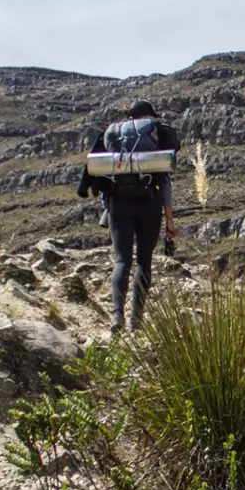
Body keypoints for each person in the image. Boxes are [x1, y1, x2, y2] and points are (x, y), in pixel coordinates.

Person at [77, 98, 180, 334]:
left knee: (122, 261)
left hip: (118, 205)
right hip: (149, 205)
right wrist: (170, 221)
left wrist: (108, 207)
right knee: (144, 261)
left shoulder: (111, 134)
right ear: (149, 116)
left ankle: (117, 317)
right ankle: (136, 320)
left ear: (129, 116)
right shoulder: (155, 134)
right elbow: (164, 183)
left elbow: (100, 175)